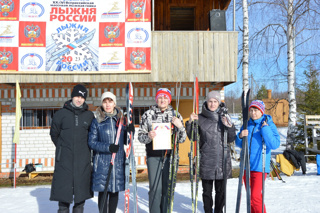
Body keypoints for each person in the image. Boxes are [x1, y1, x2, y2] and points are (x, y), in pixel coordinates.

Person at [185, 91, 236, 213]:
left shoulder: (225, 116)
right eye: (210, 101)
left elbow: (230, 138)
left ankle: (218, 211)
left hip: (222, 159)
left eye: (215, 101)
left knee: (221, 191)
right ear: (206, 102)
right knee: (207, 192)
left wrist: (229, 126)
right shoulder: (200, 118)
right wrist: (190, 123)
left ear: (219, 103)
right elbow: (193, 137)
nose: (212, 104)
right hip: (207, 159)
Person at [138, 88, 186, 213]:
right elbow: (140, 137)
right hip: (153, 156)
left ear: (169, 100)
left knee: (167, 188)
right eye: (160, 97)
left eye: (165, 97)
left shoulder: (175, 115)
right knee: (155, 189)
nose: (162, 100)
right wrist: (148, 136)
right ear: (156, 99)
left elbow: (182, 139)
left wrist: (180, 126)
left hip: (170, 156)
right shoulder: (148, 114)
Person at [50, 84, 94, 213]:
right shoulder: (60, 114)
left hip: (83, 162)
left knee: (80, 202)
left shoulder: (89, 116)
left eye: (82, 97)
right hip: (64, 162)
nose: (79, 99)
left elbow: (94, 135)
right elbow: (54, 134)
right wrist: (63, 148)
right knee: (63, 201)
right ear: (72, 96)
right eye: (77, 96)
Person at [236, 100, 280, 213]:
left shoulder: (268, 124)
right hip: (246, 167)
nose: (253, 113)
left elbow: (274, 144)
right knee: (250, 198)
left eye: (256, 110)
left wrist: (265, 129)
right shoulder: (247, 124)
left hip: (260, 167)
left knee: (255, 197)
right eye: (251, 110)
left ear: (261, 111)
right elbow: (239, 144)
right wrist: (240, 136)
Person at [88, 91, 126, 213]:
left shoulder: (121, 121)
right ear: (102, 104)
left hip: (118, 162)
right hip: (103, 163)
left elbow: (126, 140)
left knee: (114, 192)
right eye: (105, 101)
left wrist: (131, 131)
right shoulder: (97, 121)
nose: (108, 104)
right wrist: (108, 147)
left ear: (114, 103)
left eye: (110, 101)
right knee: (104, 193)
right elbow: (92, 143)